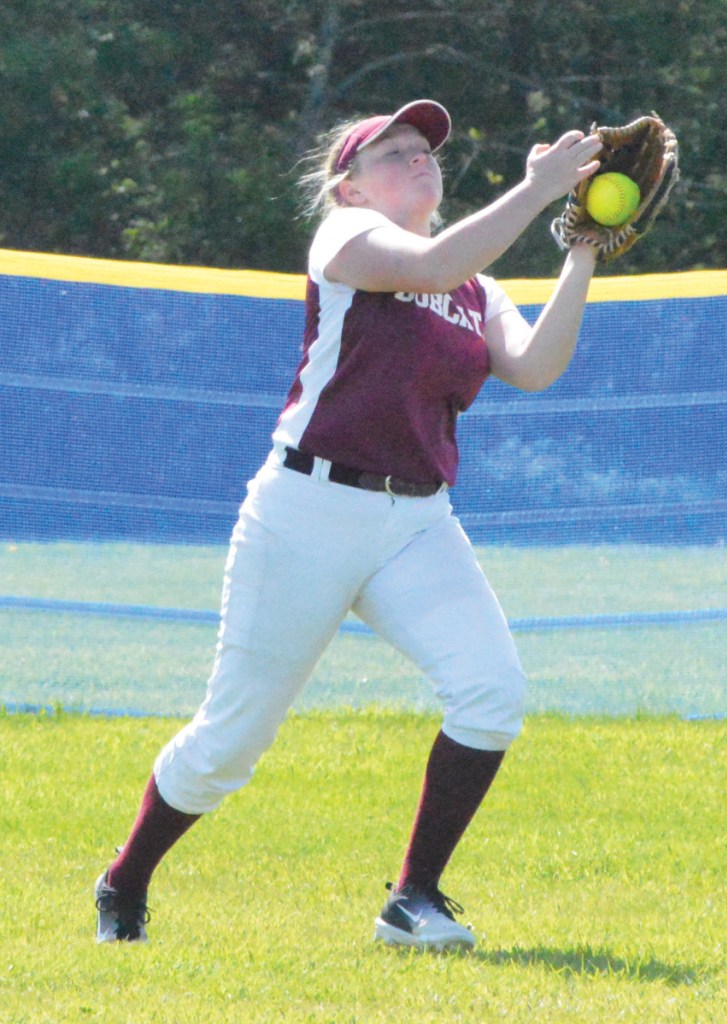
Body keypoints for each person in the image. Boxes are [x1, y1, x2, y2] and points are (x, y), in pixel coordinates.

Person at [95, 99, 602, 951]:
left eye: (426, 150)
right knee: (230, 743)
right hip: (307, 510)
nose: (418, 160)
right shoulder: (342, 240)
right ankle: (125, 880)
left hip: (415, 520)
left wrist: (582, 249)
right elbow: (435, 262)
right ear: (348, 185)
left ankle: (413, 900)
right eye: (394, 151)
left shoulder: (477, 289)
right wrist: (536, 188)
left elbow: (537, 367)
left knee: (490, 694)